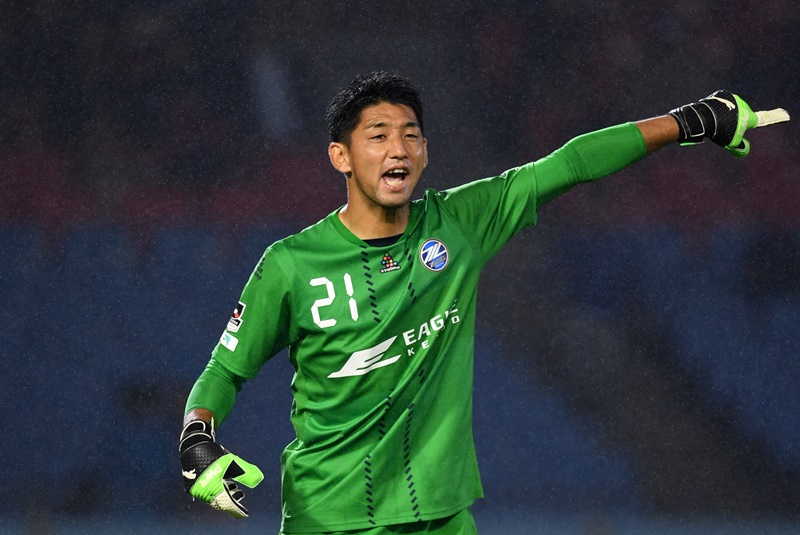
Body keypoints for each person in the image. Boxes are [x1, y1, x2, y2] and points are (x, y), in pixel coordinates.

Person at [178, 72, 789, 534]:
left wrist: (687, 121)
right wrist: (197, 440)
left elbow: (570, 164)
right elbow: (225, 369)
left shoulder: (459, 222)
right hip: (332, 518)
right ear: (341, 156)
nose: (398, 149)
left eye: (410, 136)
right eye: (378, 136)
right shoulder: (290, 265)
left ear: (425, 151)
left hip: (442, 515)